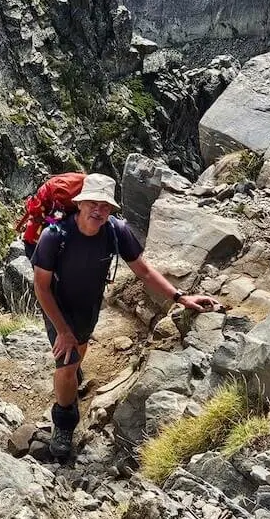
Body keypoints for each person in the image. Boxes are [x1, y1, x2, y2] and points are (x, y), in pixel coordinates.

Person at [32, 172, 221, 462]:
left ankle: (72, 374)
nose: (99, 210)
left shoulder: (116, 232)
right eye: (93, 203)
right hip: (58, 306)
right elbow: (41, 287)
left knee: (79, 349)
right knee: (67, 363)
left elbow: (143, 271)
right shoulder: (55, 235)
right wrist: (62, 330)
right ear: (80, 204)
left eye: (105, 206)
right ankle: (64, 424)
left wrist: (181, 297)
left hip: (89, 305)